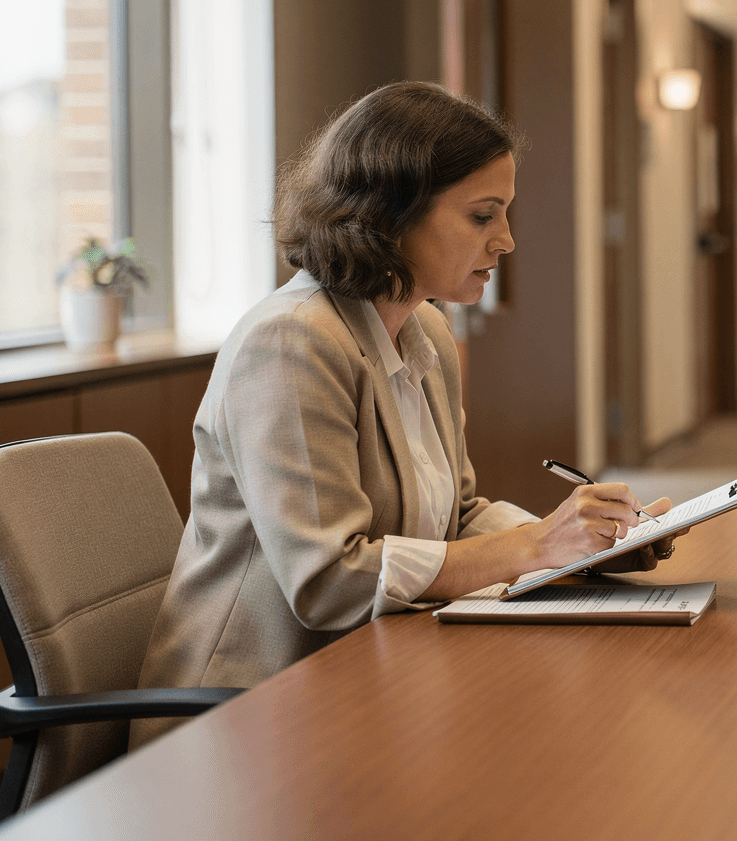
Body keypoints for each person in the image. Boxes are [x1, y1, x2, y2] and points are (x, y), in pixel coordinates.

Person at [137, 82, 681, 732]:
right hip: (249, 711)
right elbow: (327, 580)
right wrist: (534, 546)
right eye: (483, 216)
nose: (505, 241)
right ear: (389, 214)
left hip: (374, 669)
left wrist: (579, 548)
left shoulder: (426, 334)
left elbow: (455, 517)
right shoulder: (289, 342)